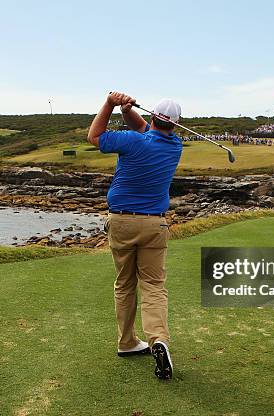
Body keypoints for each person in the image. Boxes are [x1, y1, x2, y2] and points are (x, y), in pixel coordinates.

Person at [87, 91, 183, 380]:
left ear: (153, 116)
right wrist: (127, 110)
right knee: (154, 285)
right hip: (155, 225)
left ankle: (127, 341)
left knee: (125, 284)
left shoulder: (132, 141)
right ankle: (158, 340)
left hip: (122, 222)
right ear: (175, 126)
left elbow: (94, 136)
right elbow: (144, 129)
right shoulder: (174, 146)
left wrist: (109, 104)